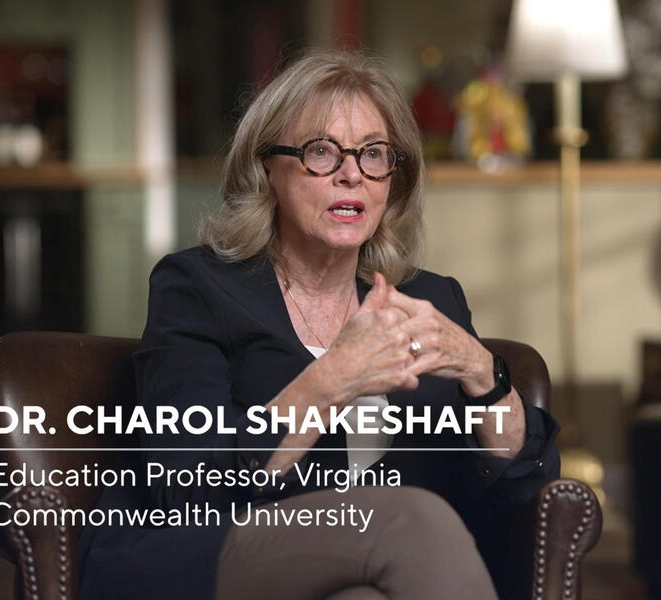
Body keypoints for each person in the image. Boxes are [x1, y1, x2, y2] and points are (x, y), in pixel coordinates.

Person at [78, 49, 559, 600]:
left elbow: (523, 488)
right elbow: (187, 486)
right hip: (215, 552)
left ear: (392, 182)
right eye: (322, 152)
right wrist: (332, 379)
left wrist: (483, 374)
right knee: (409, 519)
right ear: (267, 170)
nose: (352, 173)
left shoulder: (430, 298)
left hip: (379, 569)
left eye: (374, 154)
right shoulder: (198, 288)